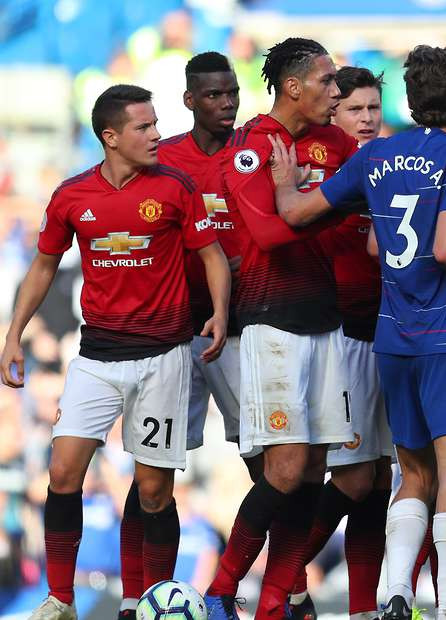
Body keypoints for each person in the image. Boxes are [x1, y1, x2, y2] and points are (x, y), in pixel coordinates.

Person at [266, 45, 446, 620]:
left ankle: (395, 591)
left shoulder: (377, 155)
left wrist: (283, 182)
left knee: (414, 474)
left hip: (394, 338)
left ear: (410, 99)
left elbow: (295, 214)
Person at [1, 84, 230, 620]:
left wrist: (219, 310)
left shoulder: (176, 187)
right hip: (97, 358)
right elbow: (42, 267)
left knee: (153, 491)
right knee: (63, 472)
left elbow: (212, 255)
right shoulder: (71, 196)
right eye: (143, 127)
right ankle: (60, 599)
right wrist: (13, 334)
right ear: (110, 137)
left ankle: (145, 600)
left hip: (163, 358)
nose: (156, 135)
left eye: (155, 124)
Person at [201, 38, 356, 620]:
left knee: (315, 469)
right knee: (285, 467)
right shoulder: (252, 147)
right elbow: (267, 233)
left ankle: (274, 603)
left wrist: (304, 200)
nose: (336, 91)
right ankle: (221, 589)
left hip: (327, 321)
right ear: (293, 86)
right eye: (327, 80)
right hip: (272, 322)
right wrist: (329, 205)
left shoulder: (337, 142)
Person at [106, 51, 247, 620]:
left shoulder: (256, 151)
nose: (226, 103)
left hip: (244, 329)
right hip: (171, 335)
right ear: (190, 100)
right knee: (151, 477)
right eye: (214, 94)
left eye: (232, 92)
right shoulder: (162, 161)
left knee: (275, 471)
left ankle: (257, 592)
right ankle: (136, 600)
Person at [298, 65, 391, 620]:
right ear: (334, 113)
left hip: (389, 334)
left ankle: (362, 609)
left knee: (378, 480)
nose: (366, 118)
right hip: (342, 336)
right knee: (354, 477)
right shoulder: (322, 170)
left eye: (373, 108)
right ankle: (282, 579)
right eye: (355, 109)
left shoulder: (390, 164)